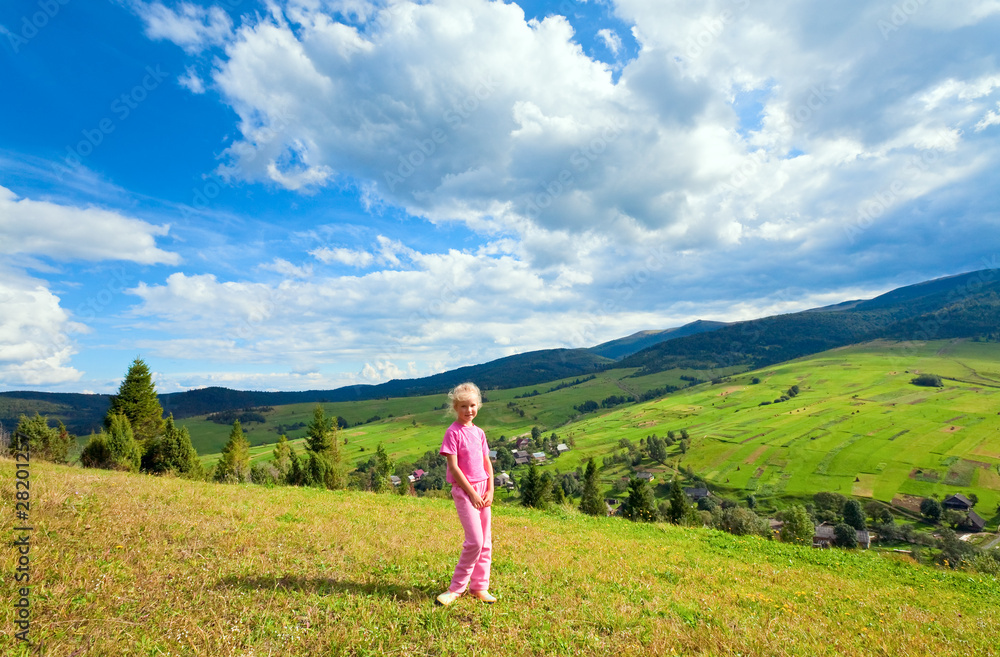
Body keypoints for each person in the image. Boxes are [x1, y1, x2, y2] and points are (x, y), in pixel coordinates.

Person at [435, 382, 496, 606]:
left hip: (483, 490)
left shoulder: (479, 433)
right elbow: (454, 468)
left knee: (486, 542)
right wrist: (472, 493)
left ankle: (480, 587)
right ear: (455, 407)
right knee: (475, 542)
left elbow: (486, 462)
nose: (468, 410)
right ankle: (455, 589)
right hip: (464, 490)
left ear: (477, 405)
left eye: (472, 405)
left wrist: (490, 489)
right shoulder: (452, 433)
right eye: (463, 406)